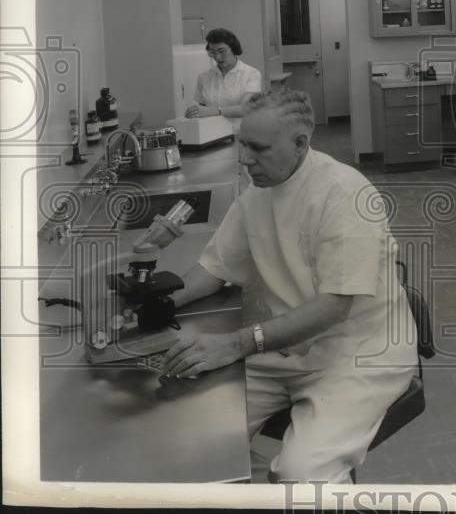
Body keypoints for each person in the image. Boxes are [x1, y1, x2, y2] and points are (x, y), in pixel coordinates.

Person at [163, 87, 417, 483]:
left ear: (300, 143)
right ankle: (272, 493)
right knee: (198, 434)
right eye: (242, 145)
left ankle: (289, 490)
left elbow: (333, 307)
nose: (246, 160)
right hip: (284, 347)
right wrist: (161, 301)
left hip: (357, 354)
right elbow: (213, 269)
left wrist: (235, 343)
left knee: (301, 474)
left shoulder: (345, 194)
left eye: (259, 149)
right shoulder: (257, 194)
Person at [185, 28, 262, 126]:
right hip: (211, 134)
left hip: (240, 133)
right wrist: (194, 113)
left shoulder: (251, 74)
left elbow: (246, 108)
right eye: (212, 52)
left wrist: (213, 111)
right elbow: (203, 110)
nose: (217, 57)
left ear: (233, 48)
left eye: (222, 51)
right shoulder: (203, 77)